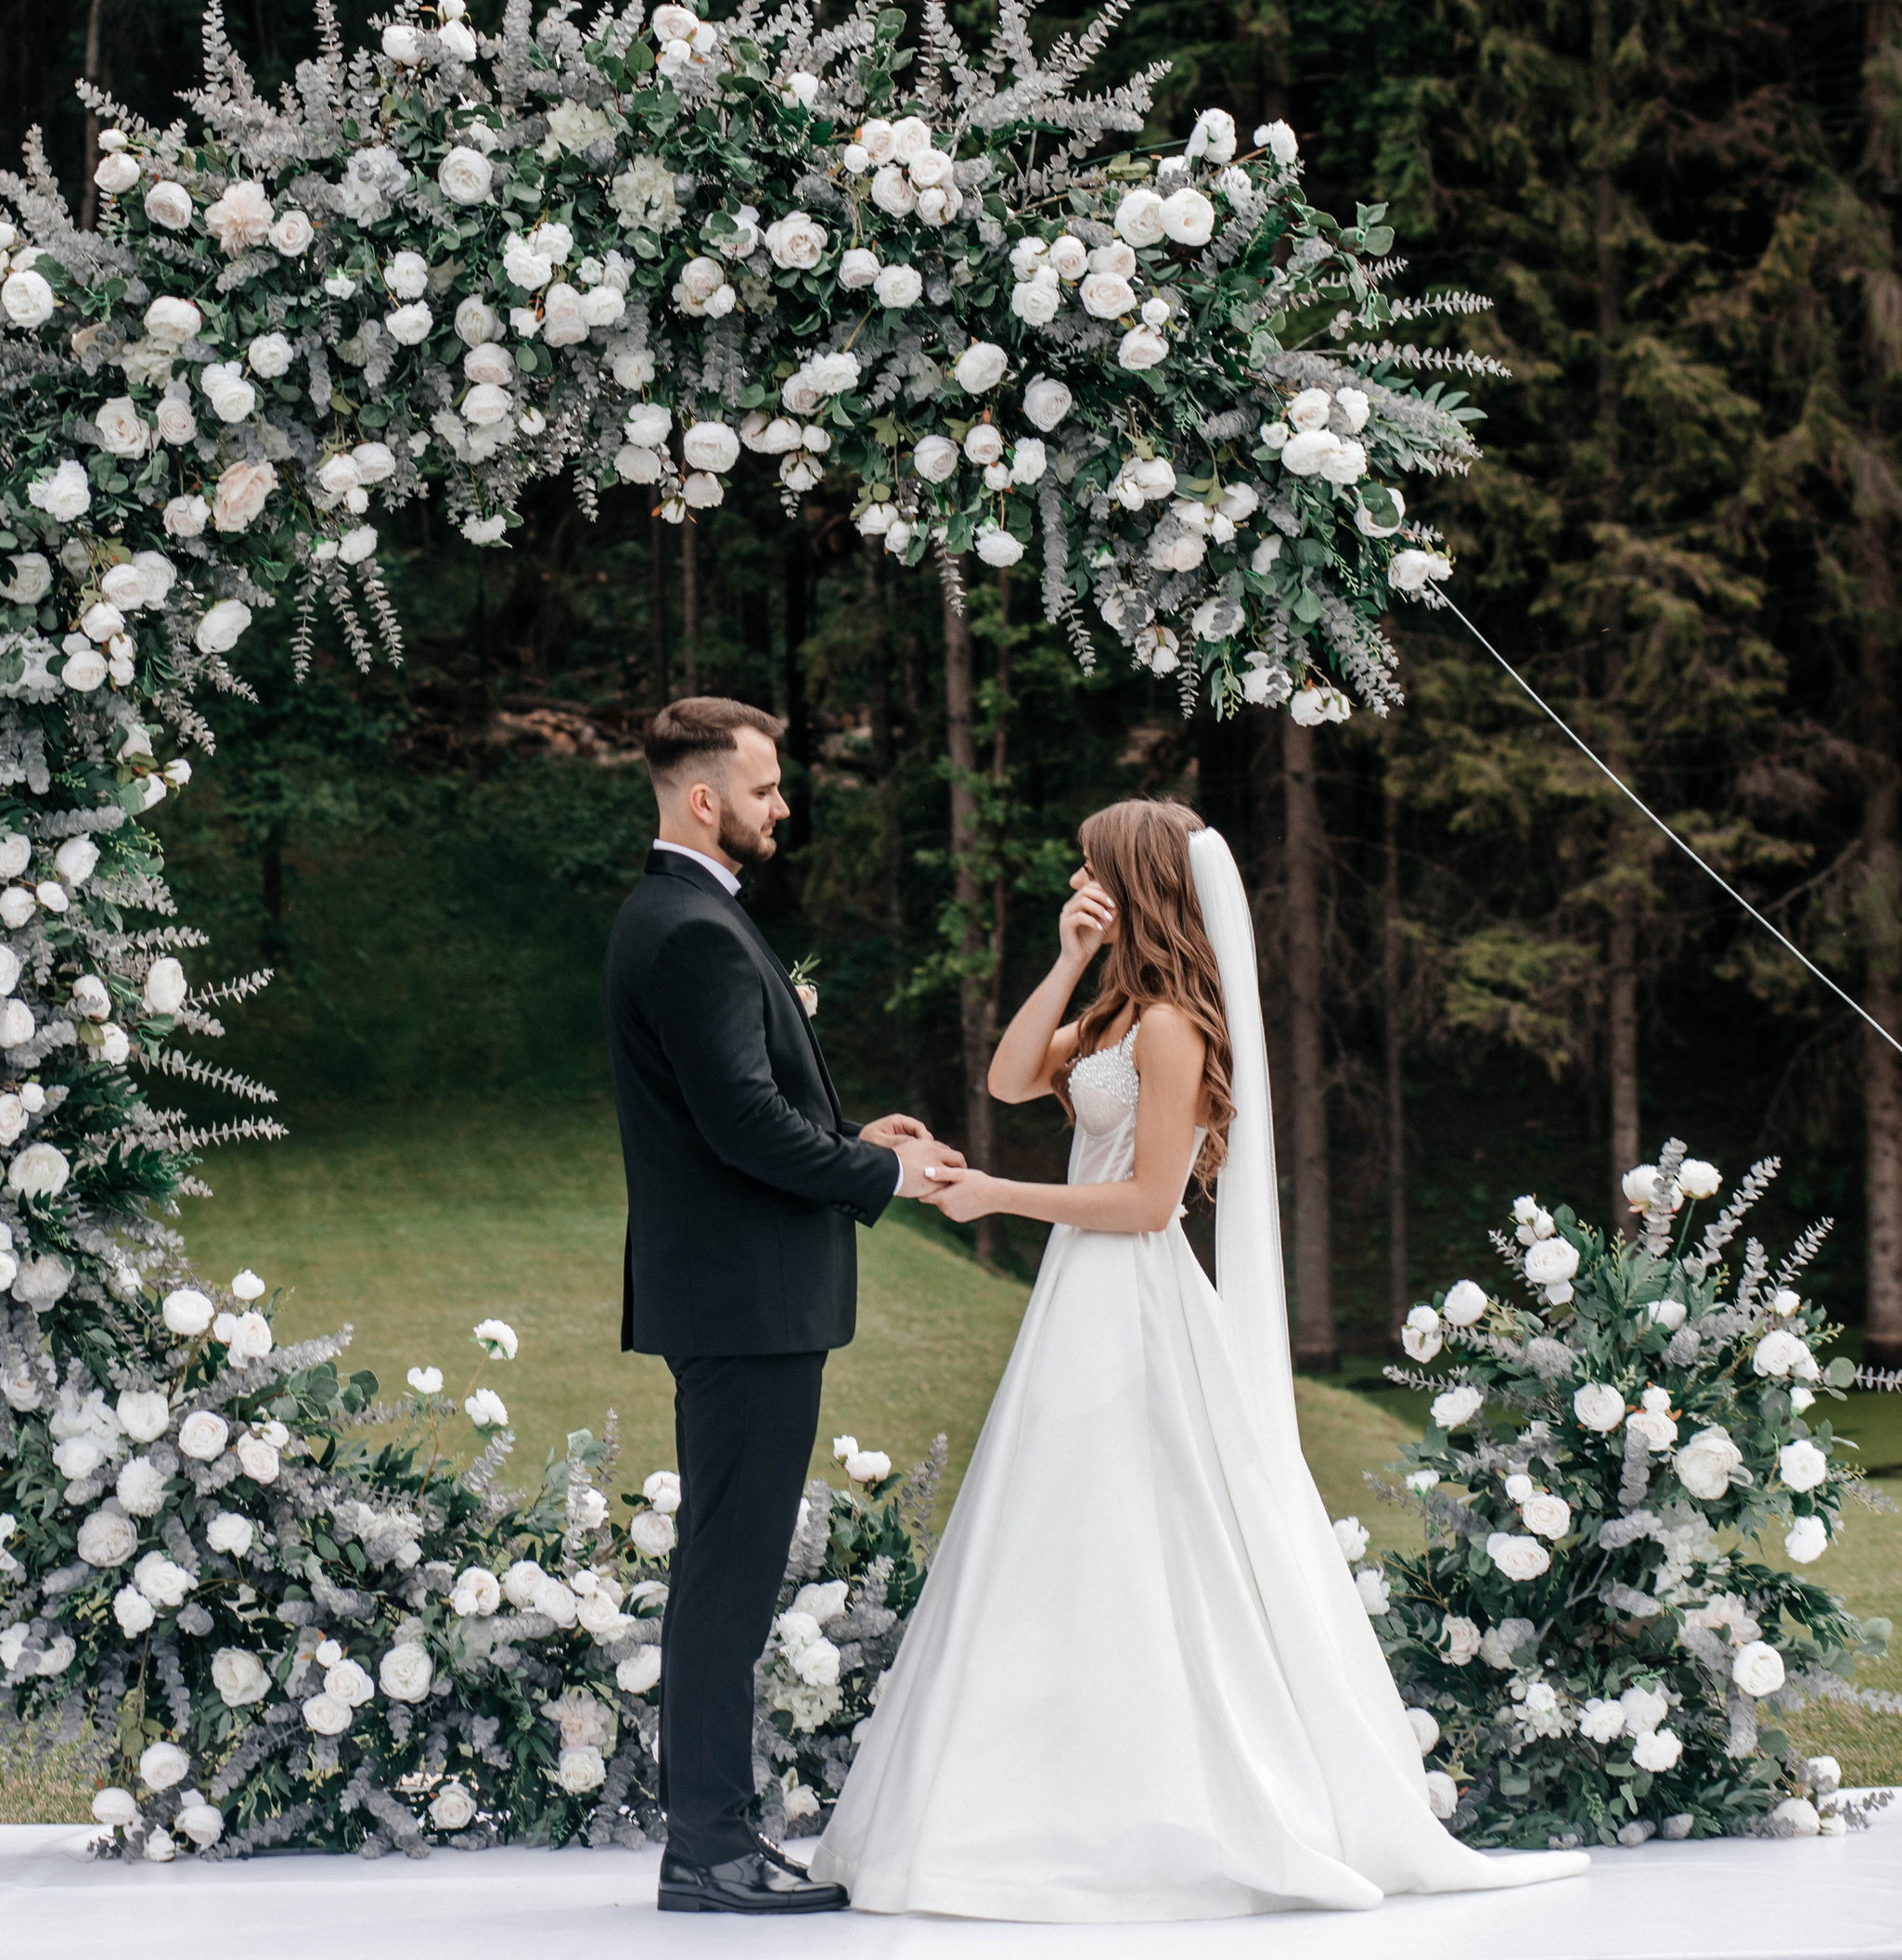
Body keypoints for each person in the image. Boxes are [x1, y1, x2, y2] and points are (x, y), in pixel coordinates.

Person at [816, 798, 1589, 1922]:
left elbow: (1145, 1201)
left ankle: (1188, 1801)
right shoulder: (1117, 1006)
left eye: (1091, 872)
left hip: (1131, 1299)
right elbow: (1008, 1078)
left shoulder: (1173, 1025)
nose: (1075, 882)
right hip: (1075, 1306)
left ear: (1138, 879)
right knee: (1059, 1531)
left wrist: (994, 1196)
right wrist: (1070, 954)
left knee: (1145, 1530)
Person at [605, 696, 962, 1918]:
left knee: (727, 1567)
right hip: (745, 1305)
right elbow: (741, 1127)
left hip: (732, 1299)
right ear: (705, 799)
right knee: (730, 1577)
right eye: (765, 790)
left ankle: (711, 1840)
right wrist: (884, 1174)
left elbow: (737, 1110)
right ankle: (708, 1851)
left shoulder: (683, 916)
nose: (782, 807)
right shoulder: (694, 930)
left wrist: (853, 1133)